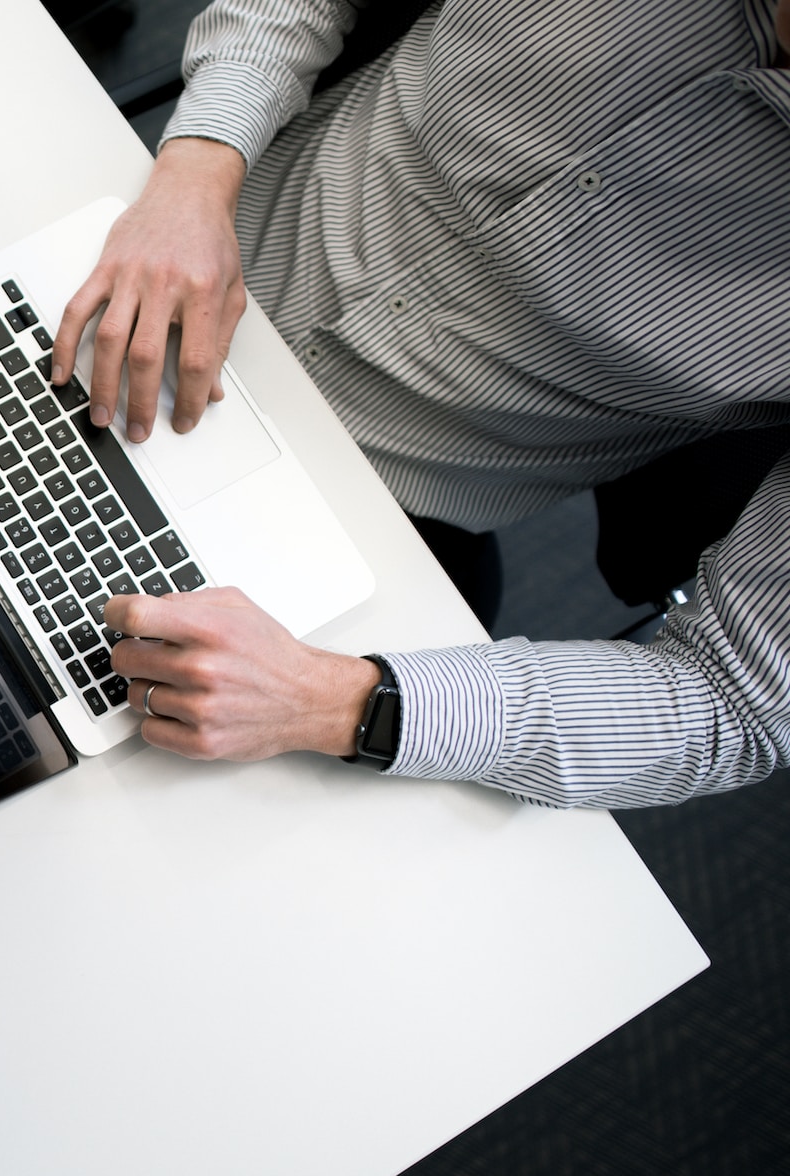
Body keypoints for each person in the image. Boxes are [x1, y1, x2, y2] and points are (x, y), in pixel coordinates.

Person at [54, 0, 790, 807]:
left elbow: (735, 700)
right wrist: (198, 171)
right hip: (155, 243)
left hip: (369, 516)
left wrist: (335, 701)